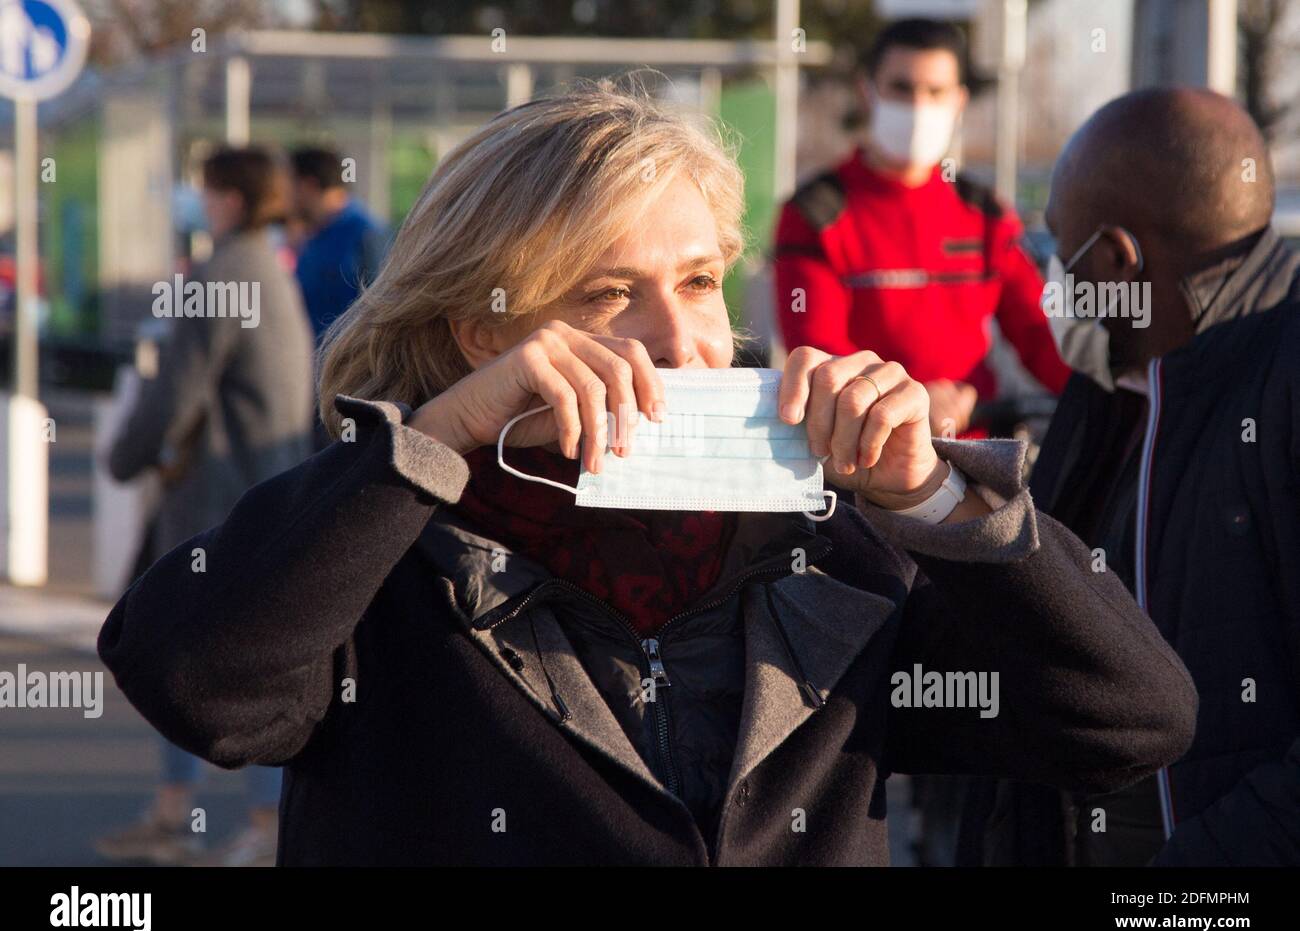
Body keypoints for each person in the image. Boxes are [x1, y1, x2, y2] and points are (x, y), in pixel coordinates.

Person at [96, 84, 1196, 866]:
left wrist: (936, 501)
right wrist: (429, 444)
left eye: (701, 279)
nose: (682, 340)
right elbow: (195, 681)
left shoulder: (832, 544)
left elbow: (1132, 721)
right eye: (606, 293)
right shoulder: (379, 545)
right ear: (488, 333)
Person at [960, 88, 1300, 866]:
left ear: (1115, 259)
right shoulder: (1114, 386)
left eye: (1058, 245)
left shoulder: (1282, 388)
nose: (1050, 275)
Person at [95, 146, 317, 866]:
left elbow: (174, 393)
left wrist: (122, 457)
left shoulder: (219, 276)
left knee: (216, 656)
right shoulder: (270, 270)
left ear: (226, 199)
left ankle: (258, 825)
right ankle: (184, 815)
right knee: (221, 654)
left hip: (222, 503)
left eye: (204, 190)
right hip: (269, 487)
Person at [774, 18, 1069, 439]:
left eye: (935, 92)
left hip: (977, 457)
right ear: (867, 91)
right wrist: (909, 401)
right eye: (902, 88)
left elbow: (1041, 334)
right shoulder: (816, 212)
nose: (918, 105)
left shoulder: (985, 214)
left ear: (959, 101)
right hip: (862, 458)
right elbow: (819, 354)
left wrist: (1114, 393)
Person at [289, 146, 388, 343]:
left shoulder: (367, 235)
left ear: (308, 186)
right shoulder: (314, 236)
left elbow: (384, 311)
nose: (284, 198)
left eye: (288, 186)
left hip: (351, 364)